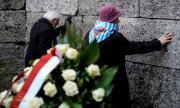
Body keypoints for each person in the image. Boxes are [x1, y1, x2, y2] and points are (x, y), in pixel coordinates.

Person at [85, 4, 172, 108]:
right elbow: (134, 47)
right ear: (113, 20)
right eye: (117, 18)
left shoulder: (89, 34)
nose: (119, 21)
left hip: (94, 82)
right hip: (113, 84)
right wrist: (158, 42)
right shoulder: (114, 37)